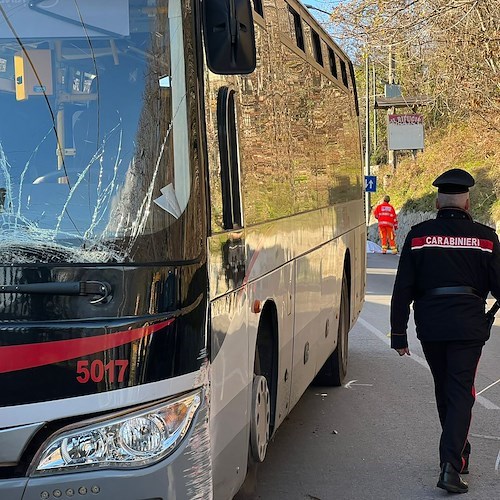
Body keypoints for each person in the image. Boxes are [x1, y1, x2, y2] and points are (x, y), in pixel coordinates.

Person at [390, 168, 500, 494]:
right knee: (460, 393)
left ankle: (458, 454)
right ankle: (451, 465)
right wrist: (489, 313)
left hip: (431, 326)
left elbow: (403, 288)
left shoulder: (419, 235)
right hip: (468, 327)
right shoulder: (486, 237)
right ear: (467, 203)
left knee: (445, 391)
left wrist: (399, 334)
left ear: (438, 203)